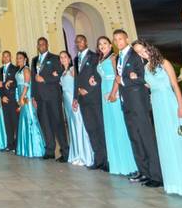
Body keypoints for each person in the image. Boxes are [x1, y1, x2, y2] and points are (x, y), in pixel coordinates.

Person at [132, 39, 182, 198]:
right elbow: (151, 84)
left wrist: (181, 106)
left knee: (180, 139)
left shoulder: (164, 62)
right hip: (157, 104)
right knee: (165, 141)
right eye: (138, 52)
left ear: (149, 48)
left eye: (143, 50)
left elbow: (175, 85)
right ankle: (174, 182)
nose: (142, 53)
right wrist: (137, 79)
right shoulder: (145, 67)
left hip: (170, 102)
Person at [113, 29, 162, 187]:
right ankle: (144, 171)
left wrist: (125, 80)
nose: (118, 41)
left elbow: (144, 77)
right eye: (116, 39)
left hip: (138, 103)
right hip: (126, 103)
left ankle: (156, 175)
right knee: (135, 138)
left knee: (146, 138)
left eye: (121, 38)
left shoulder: (136, 55)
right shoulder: (119, 57)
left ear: (126, 39)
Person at [96, 36, 137, 176]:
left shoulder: (113, 57)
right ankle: (116, 163)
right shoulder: (100, 59)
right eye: (100, 44)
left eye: (105, 43)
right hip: (103, 91)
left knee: (119, 126)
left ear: (110, 45)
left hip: (112, 92)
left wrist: (113, 93)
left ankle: (128, 164)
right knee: (110, 126)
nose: (102, 46)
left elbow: (117, 76)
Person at [73, 35, 107, 171]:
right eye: (76, 42)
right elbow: (77, 79)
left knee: (100, 128)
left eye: (81, 41)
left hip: (94, 98)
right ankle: (98, 160)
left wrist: (89, 89)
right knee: (91, 129)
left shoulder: (95, 56)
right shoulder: (76, 59)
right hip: (82, 100)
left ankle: (106, 160)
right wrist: (76, 96)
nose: (78, 43)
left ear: (86, 41)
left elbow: (98, 76)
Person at [31, 37, 67, 161]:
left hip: (53, 96)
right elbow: (33, 80)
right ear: (37, 46)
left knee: (58, 124)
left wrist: (45, 79)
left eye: (43, 44)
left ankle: (65, 151)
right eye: (39, 44)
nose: (41, 46)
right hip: (40, 98)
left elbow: (60, 75)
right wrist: (33, 97)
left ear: (47, 45)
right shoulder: (34, 60)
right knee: (45, 124)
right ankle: (50, 150)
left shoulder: (55, 58)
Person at [59, 50, 93, 167]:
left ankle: (84, 156)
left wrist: (76, 98)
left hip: (73, 101)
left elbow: (77, 84)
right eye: (61, 57)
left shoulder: (73, 70)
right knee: (72, 127)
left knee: (79, 125)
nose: (63, 59)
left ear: (69, 58)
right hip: (66, 102)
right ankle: (76, 154)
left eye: (65, 57)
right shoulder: (63, 72)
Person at [14, 51, 45, 158]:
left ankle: (36, 149)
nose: (18, 60)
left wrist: (22, 97)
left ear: (25, 59)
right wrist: (18, 98)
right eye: (17, 58)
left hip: (26, 97)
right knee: (25, 121)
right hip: (21, 96)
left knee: (31, 120)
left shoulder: (26, 69)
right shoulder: (19, 70)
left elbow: (27, 84)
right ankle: (27, 148)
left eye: (21, 58)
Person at [0, 50, 18, 152]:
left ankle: (17, 145)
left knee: (15, 123)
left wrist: (6, 83)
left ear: (10, 57)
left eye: (7, 56)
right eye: (3, 56)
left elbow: (16, 82)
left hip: (13, 99)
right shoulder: (0, 69)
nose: (5, 58)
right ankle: (10, 145)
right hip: (4, 99)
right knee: (7, 123)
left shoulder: (15, 68)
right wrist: (2, 96)